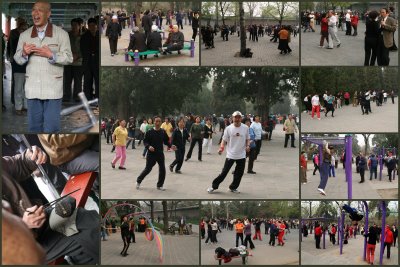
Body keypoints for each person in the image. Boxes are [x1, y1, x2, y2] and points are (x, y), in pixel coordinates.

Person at [2, 146, 99, 264]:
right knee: (87, 230)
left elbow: (18, 164)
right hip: (19, 245)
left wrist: (31, 157)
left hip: (36, 225)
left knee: (81, 218)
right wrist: (23, 225)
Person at [14, 1, 73, 132]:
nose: (35, 13)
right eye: (34, 10)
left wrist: (51, 55)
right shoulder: (24, 35)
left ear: (48, 14)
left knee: (52, 128)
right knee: (34, 128)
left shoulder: (62, 34)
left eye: (40, 10)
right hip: (32, 89)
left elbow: (69, 58)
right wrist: (24, 53)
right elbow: (17, 59)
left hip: (53, 90)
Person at [207, 111, 250, 194]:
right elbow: (224, 140)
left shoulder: (245, 128)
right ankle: (213, 186)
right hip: (231, 154)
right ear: (232, 118)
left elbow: (248, 138)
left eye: (239, 117)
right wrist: (221, 148)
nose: (237, 119)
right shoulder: (228, 128)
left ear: (241, 118)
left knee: (239, 173)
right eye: (235, 117)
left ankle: (233, 187)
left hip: (241, 155)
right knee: (224, 172)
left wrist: (248, 146)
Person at [136, 116, 176, 191]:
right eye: (156, 121)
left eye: (159, 121)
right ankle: (138, 181)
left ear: (161, 123)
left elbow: (166, 141)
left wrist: (171, 146)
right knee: (148, 169)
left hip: (160, 153)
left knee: (162, 169)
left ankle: (160, 185)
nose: (157, 123)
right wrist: (148, 146)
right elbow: (145, 141)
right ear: (154, 122)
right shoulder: (149, 132)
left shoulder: (163, 131)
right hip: (151, 154)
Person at [7, 18, 28, 115]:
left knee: (26, 89)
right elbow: (13, 52)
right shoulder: (16, 41)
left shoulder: (29, 41)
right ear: (19, 30)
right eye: (22, 30)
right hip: (18, 67)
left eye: (25, 30)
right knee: (18, 88)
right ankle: (18, 107)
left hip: (28, 68)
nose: (24, 31)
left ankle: (25, 106)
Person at [81, 17, 99, 100]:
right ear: (88, 26)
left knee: (98, 78)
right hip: (88, 60)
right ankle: (88, 97)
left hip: (97, 60)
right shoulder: (84, 36)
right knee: (88, 79)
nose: (92, 27)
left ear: (96, 26)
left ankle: (98, 96)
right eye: (90, 25)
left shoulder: (99, 35)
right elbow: (82, 49)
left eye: (93, 25)